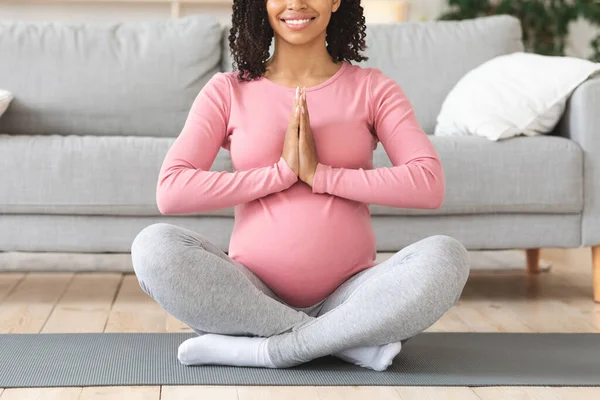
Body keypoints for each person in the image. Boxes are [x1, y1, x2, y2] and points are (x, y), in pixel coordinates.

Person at [131, 0, 470, 372]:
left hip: (351, 297)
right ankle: (340, 343)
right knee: (153, 246)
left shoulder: (373, 88)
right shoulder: (228, 90)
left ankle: (269, 350)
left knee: (446, 256)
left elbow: (427, 183)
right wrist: (279, 174)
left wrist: (320, 175)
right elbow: (173, 189)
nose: (296, 3)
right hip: (250, 296)